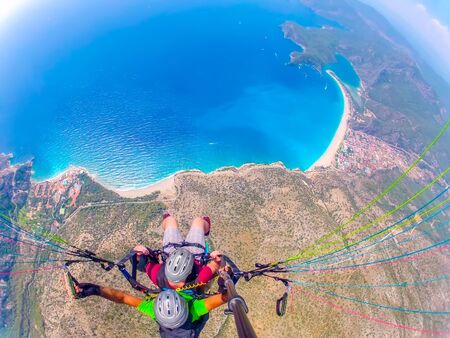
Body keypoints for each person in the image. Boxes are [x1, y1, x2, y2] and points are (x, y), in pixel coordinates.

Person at [73, 279, 229, 338]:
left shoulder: (154, 309)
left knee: (203, 286)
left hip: (191, 318)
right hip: (194, 309)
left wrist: (95, 290)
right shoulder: (195, 309)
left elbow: (122, 298)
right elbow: (224, 297)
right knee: (201, 287)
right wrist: (227, 280)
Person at [133, 214, 223, 290]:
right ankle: (205, 228)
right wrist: (215, 257)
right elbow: (214, 265)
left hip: (172, 253)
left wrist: (139, 252)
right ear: (189, 271)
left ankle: (168, 220)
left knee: (170, 221)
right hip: (194, 255)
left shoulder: (158, 275)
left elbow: (143, 261)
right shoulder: (198, 279)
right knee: (199, 221)